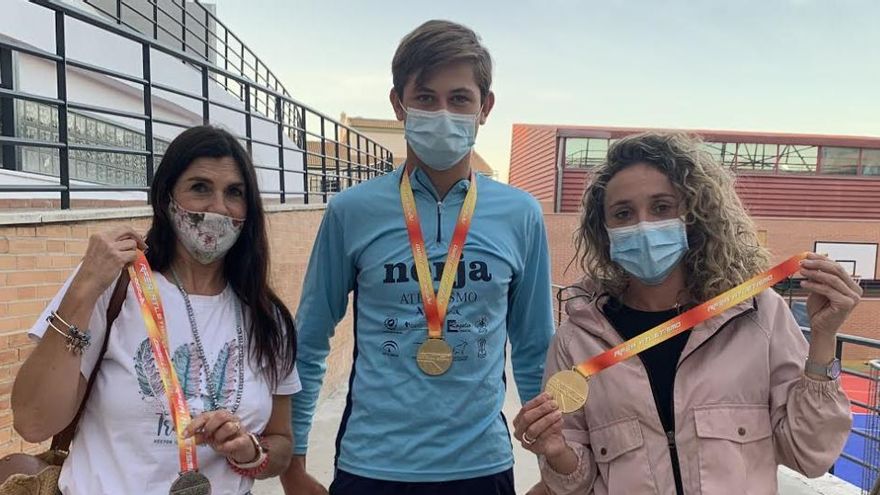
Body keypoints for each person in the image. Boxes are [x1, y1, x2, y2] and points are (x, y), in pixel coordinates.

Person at [281, 19, 554, 495]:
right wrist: (294, 465)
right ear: (399, 104)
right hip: (372, 465)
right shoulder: (351, 211)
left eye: (460, 98)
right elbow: (309, 339)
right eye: (426, 98)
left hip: (481, 466)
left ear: (485, 107)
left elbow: (534, 347)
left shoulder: (521, 214)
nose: (443, 112)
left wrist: (553, 463)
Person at [512, 132, 858, 494]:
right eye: (623, 213)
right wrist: (556, 452)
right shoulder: (579, 338)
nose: (643, 225)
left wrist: (823, 338)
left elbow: (811, 455)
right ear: (605, 229)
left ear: (693, 214)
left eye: (662, 207)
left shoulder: (757, 313)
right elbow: (575, 483)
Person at [12, 126, 301, 494]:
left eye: (234, 192)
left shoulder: (267, 318)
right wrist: (83, 288)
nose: (217, 207)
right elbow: (33, 421)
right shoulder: (114, 286)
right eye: (199, 187)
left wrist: (249, 451)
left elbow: (281, 445)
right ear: (166, 197)